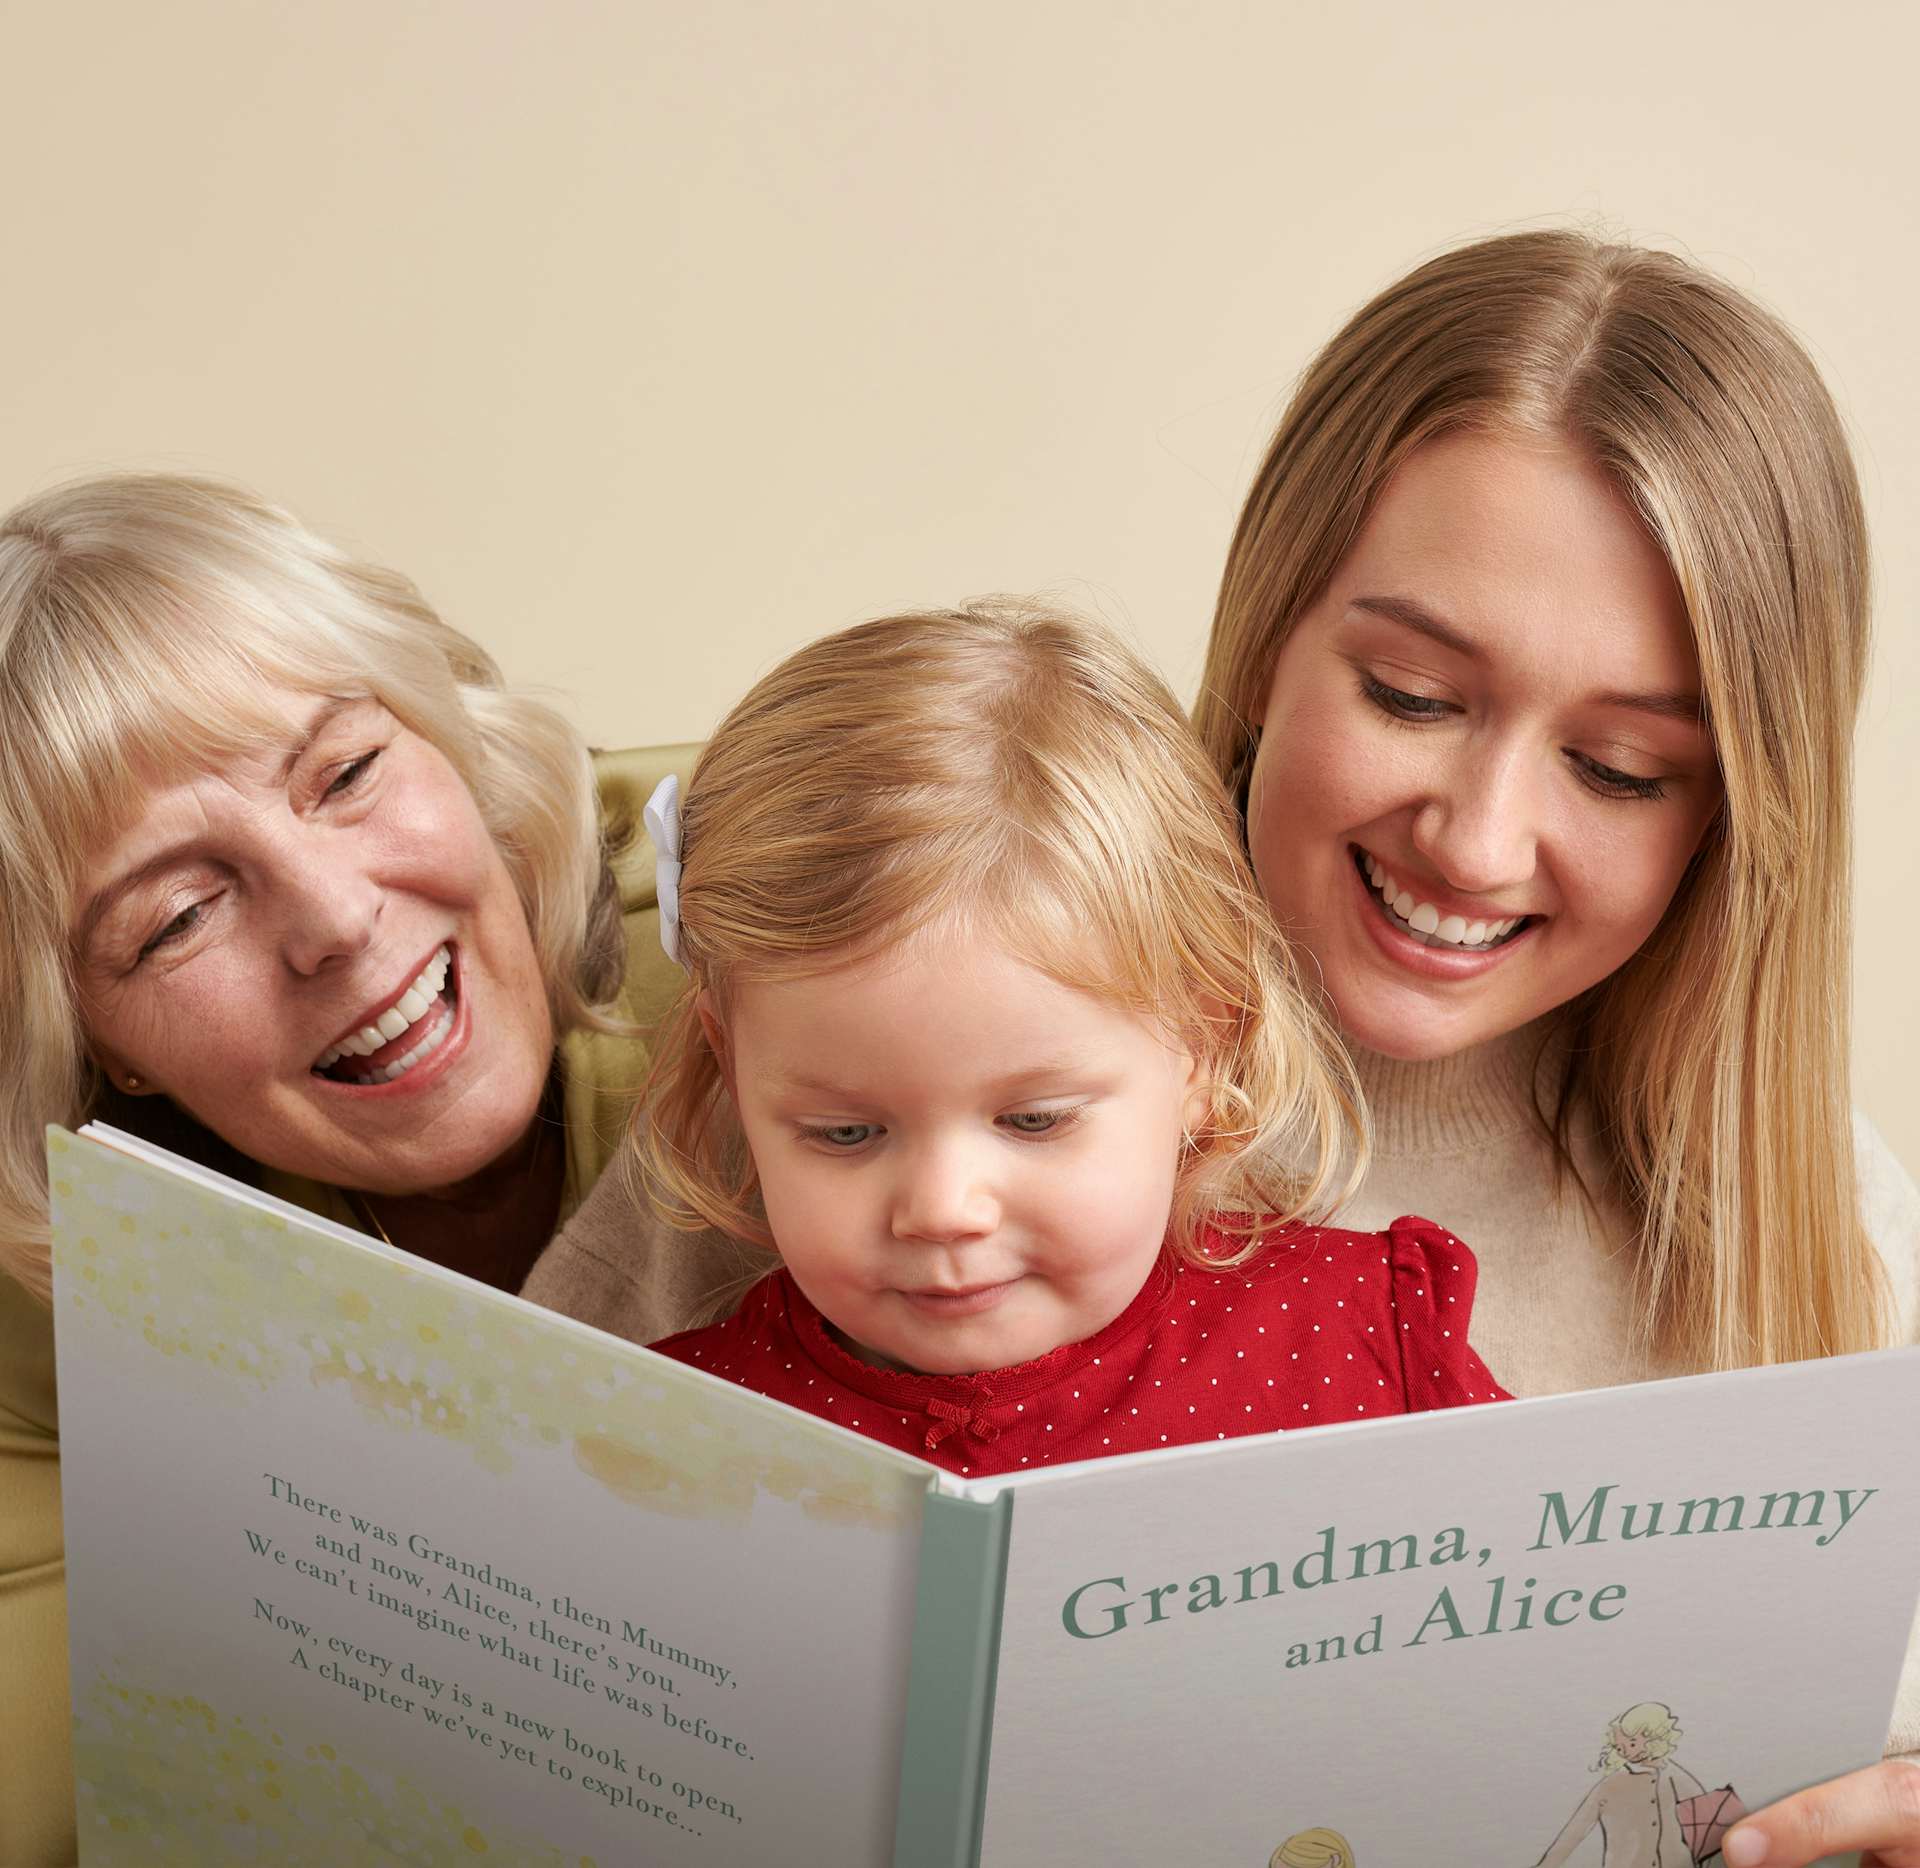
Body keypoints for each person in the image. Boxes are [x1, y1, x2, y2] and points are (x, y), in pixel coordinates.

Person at [1190, 229, 1920, 1865]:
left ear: (1731, 821)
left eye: (1619, 767)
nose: (1481, 838)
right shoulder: (912, 1057)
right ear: (1262, 641)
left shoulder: (1823, 1231)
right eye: (1412, 691)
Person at [0, 474, 730, 1867]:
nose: (333, 918)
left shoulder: (780, 925)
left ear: (457, 740)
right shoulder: (51, 1263)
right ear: (92, 1042)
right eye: (177, 916)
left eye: (346, 773)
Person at [596, 601, 1509, 1472]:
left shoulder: (1361, 1345)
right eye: (845, 1133)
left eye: (1034, 1121)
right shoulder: (662, 1436)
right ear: (731, 1067)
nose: (945, 1210)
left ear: (1204, 1044)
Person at [1532, 1703, 1711, 1868]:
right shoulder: (1610, 1786)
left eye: (1632, 1743)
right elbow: (1573, 1833)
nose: (1625, 1751)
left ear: (1656, 1737)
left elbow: (1708, 1829)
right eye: (1619, 1747)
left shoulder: (1678, 1779)